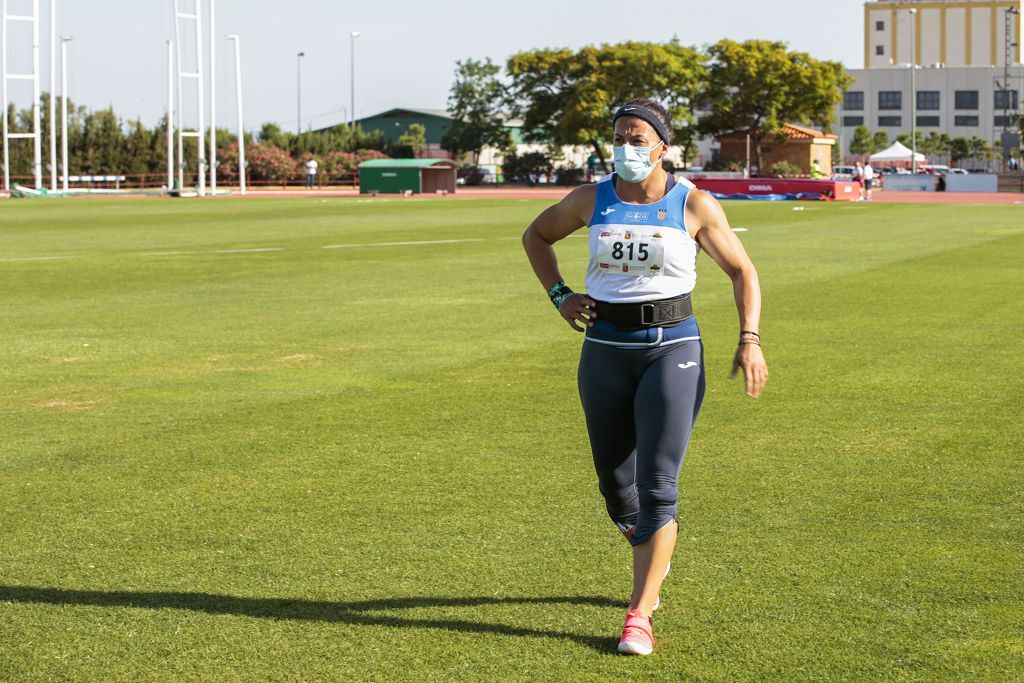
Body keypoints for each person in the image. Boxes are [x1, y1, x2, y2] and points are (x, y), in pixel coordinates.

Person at [521, 99, 768, 656]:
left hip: (672, 349)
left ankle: (640, 611)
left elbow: (742, 270)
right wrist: (560, 295)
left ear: (662, 145)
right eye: (617, 137)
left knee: (659, 484)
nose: (625, 147)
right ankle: (656, 543)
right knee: (615, 484)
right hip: (604, 348)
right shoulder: (592, 199)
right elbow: (535, 237)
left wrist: (749, 338)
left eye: (636, 137)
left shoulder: (693, 203)